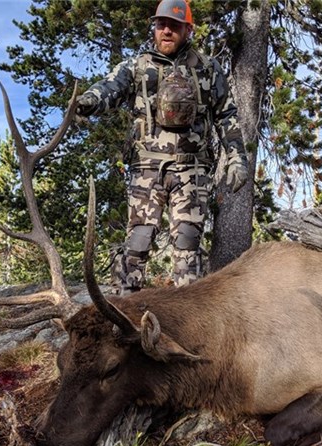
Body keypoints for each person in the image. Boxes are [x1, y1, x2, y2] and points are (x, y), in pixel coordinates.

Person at [76, 0, 248, 294]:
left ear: (188, 29)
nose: (166, 31)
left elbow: (227, 115)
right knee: (138, 241)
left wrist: (237, 157)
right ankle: (125, 311)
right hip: (146, 167)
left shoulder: (208, 69)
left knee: (187, 244)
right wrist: (88, 100)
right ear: (154, 27)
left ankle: (190, 319)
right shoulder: (136, 67)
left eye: (174, 25)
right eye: (161, 24)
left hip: (192, 169)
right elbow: (109, 88)